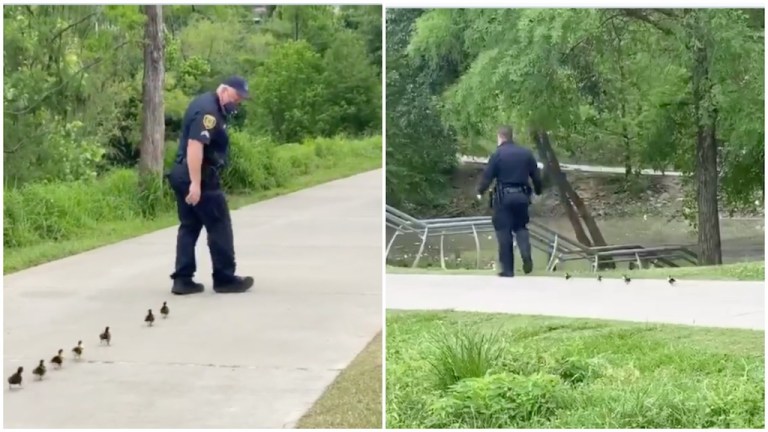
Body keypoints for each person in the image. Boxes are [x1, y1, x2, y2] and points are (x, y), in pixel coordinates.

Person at [166, 76, 254, 295]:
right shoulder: (209, 113)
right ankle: (225, 278)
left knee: (190, 225)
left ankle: (183, 279)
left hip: (181, 173)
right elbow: (195, 146)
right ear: (224, 91)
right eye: (236, 97)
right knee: (219, 224)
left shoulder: (206, 102)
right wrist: (196, 184)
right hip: (198, 177)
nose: (238, 103)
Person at [476, 126, 543, 277]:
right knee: (521, 227)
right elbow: (536, 176)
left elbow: (488, 176)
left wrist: (480, 191)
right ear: (512, 137)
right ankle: (526, 255)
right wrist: (538, 191)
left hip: (503, 198)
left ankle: (508, 270)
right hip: (522, 197)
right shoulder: (526, 154)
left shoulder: (498, 154)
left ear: (500, 137)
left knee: (504, 231)